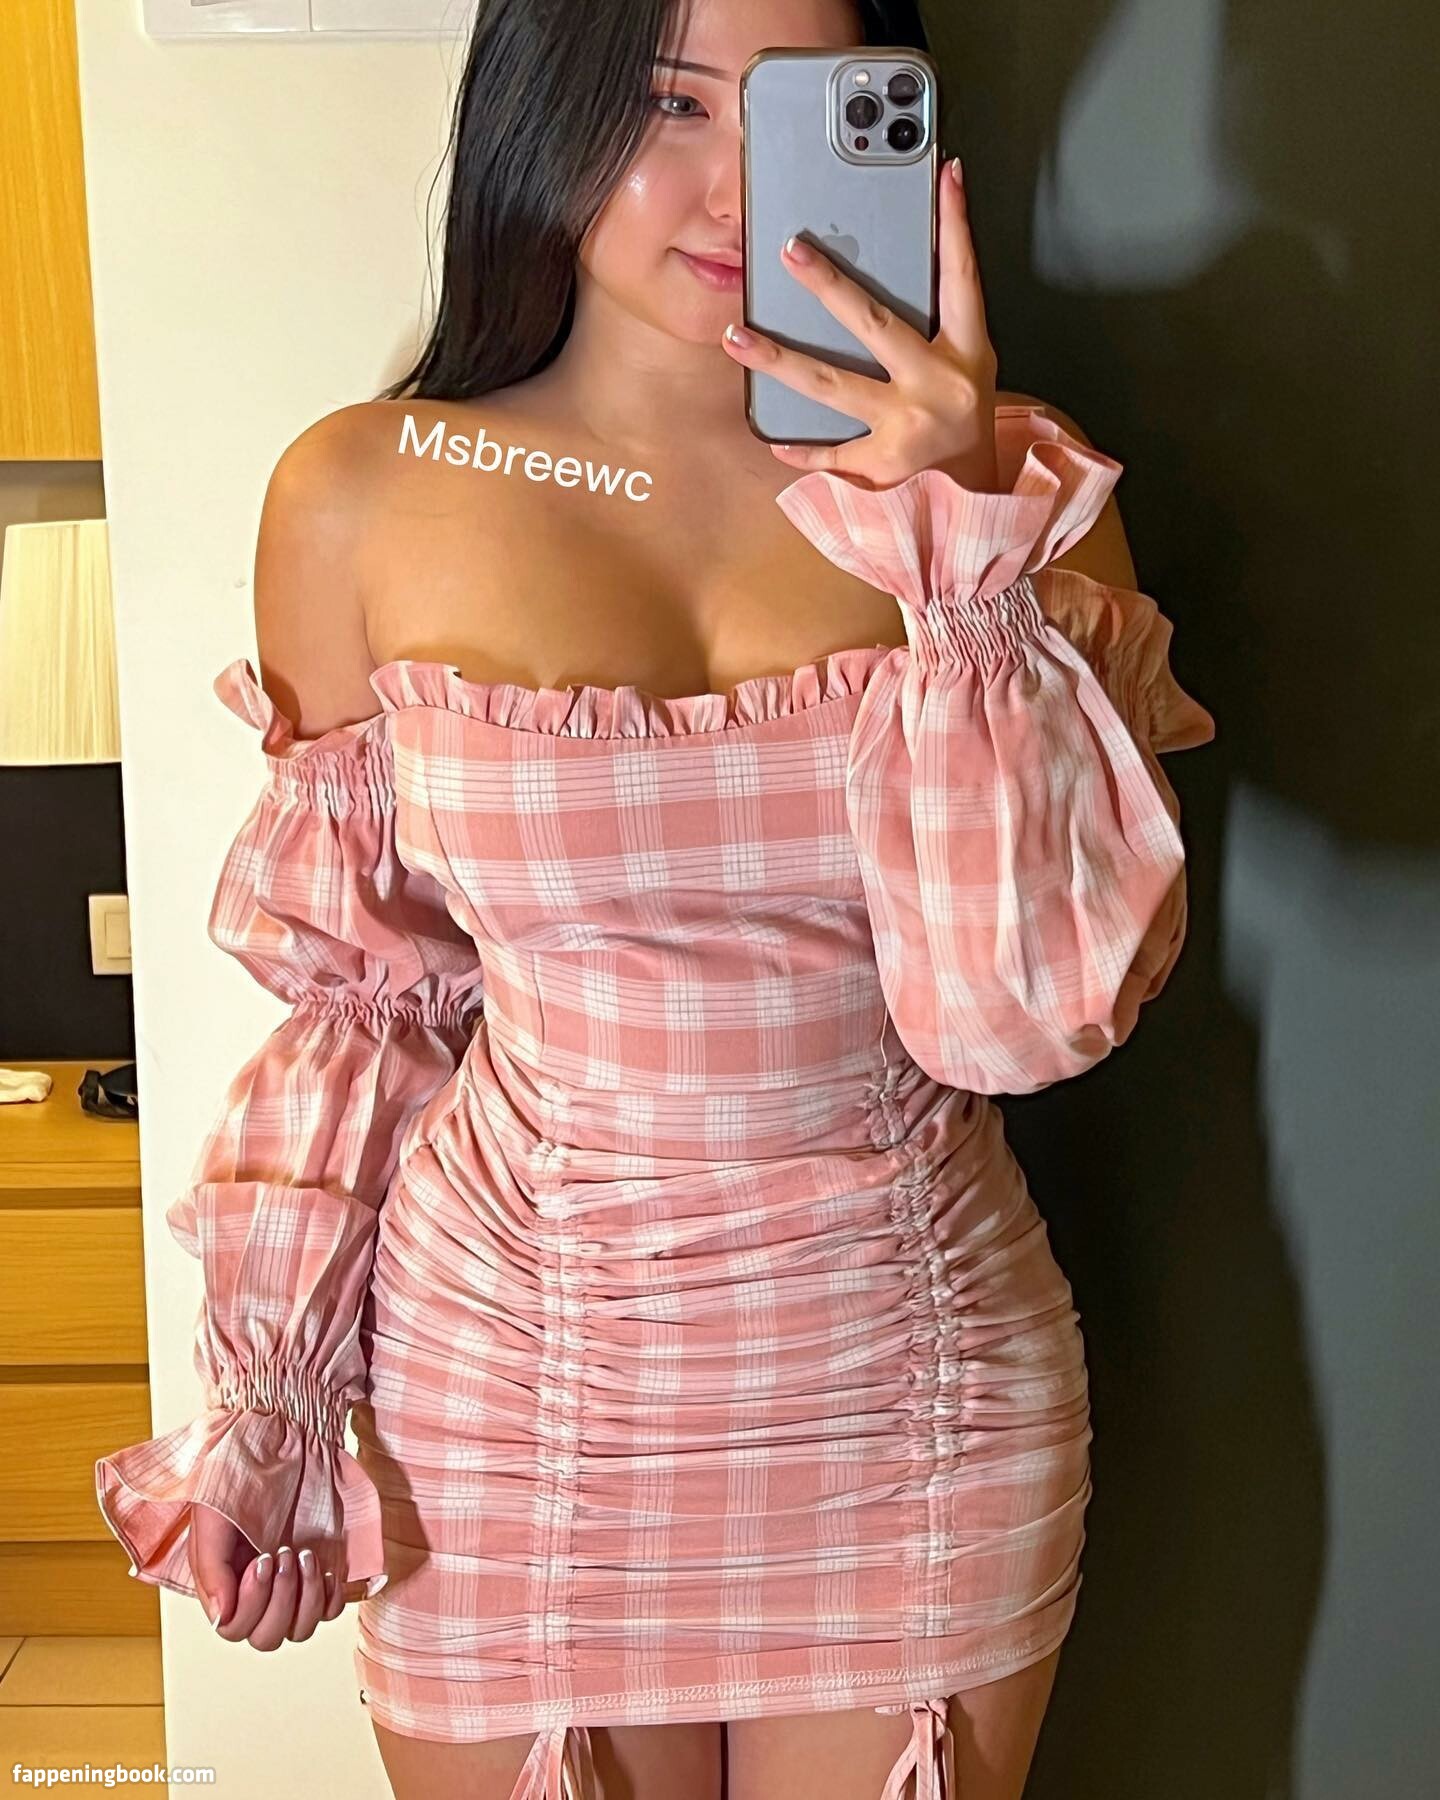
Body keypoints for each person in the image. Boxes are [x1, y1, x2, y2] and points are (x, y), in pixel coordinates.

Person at [94, 1, 1216, 1795]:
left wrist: (958, 561)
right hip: (505, 1408)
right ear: (545, 112)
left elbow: (1015, 1022)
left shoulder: (1013, 494)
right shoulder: (363, 492)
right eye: (665, 105)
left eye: (792, 112)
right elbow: (367, 1012)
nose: (734, 191)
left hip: (911, 1405)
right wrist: (273, 1403)